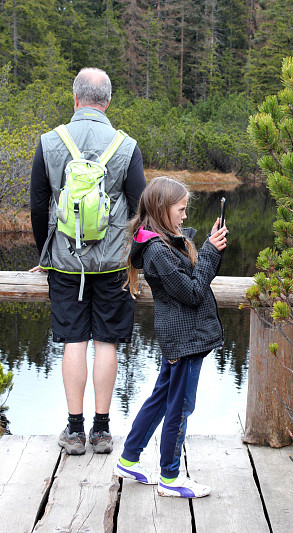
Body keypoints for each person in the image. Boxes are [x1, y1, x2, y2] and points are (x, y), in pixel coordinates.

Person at [30, 68, 146, 455]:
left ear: (75, 98)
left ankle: (75, 432)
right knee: (107, 343)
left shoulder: (49, 142)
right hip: (113, 265)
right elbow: (140, 212)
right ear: (108, 102)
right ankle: (102, 431)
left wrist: (45, 256)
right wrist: (135, 260)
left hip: (65, 264)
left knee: (73, 343)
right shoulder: (126, 146)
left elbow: (37, 205)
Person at [115, 176, 227, 498]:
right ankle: (170, 477)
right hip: (183, 340)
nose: (185, 216)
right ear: (163, 210)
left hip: (180, 338)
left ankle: (128, 458)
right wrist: (209, 252)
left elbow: (192, 278)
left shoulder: (163, 243)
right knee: (180, 407)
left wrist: (209, 247)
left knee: (163, 398)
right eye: (181, 209)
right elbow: (193, 291)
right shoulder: (156, 252)